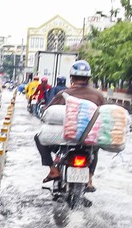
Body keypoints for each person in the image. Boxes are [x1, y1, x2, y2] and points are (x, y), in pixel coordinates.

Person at [34, 60, 105, 191]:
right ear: (88, 78)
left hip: (66, 138)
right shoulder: (98, 95)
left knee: (38, 138)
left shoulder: (64, 94)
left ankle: (53, 169)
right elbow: (104, 114)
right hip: (88, 140)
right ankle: (89, 178)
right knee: (95, 149)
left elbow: (49, 112)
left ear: (71, 77)